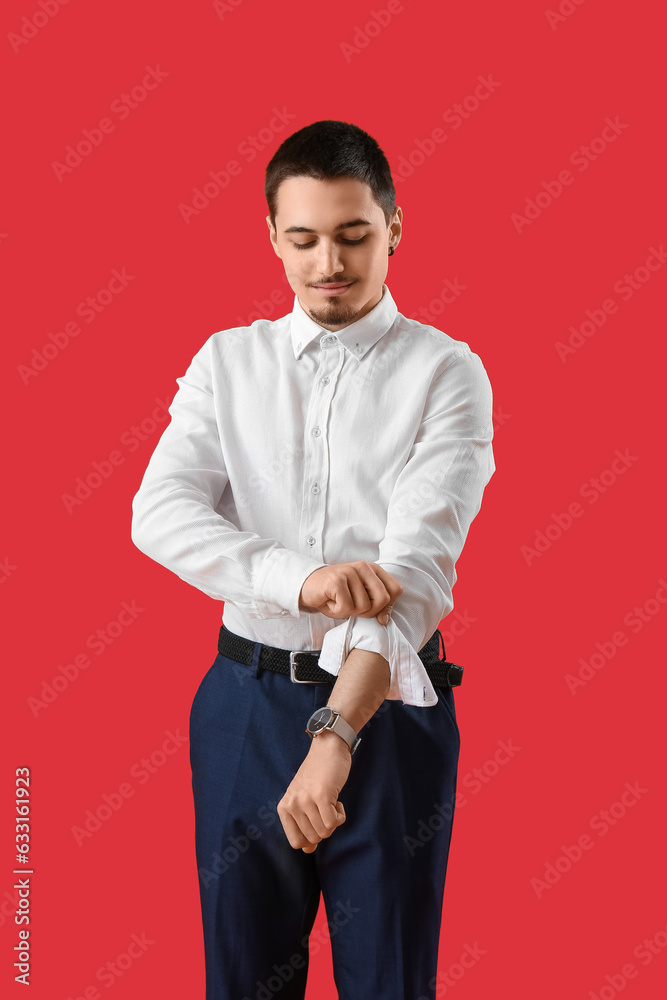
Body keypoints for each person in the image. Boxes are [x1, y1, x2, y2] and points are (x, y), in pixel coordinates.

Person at [131, 119, 496, 1000]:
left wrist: (335, 735)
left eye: (352, 235)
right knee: (243, 981)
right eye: (303, 240)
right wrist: (303, 577)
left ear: (394, 227)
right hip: (243, 710)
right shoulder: (228, 362)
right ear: (273, 238)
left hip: (392, 718)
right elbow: (160, 512)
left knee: (388, 984)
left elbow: (417, 573)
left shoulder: (446, 373)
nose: (327, 262)